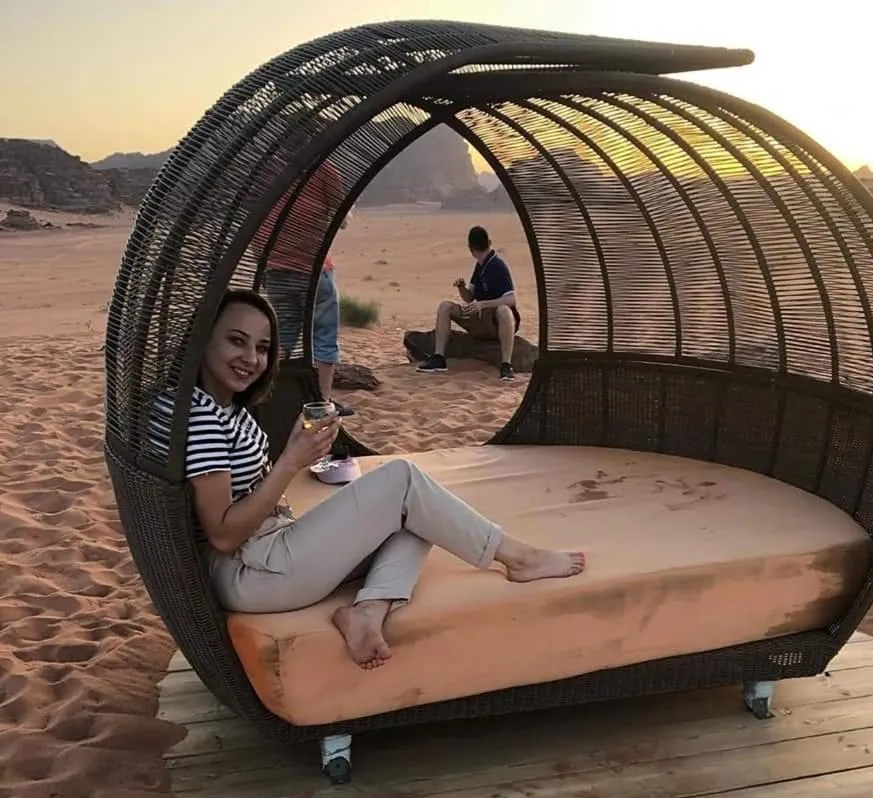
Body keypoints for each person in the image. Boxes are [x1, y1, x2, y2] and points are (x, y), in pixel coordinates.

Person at [149, 289, 585, 670]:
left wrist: (294, 459)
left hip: (267, 550)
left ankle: (368, 611)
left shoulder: (218, 405)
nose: (251, 358)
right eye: (236, 341)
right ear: (203, 337)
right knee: (402, 481)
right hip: (251, 570)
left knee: (422, 515)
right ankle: (517, 557)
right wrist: (289, 463)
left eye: (262, 348)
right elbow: (223, 535)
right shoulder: (200, 418)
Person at [255, 161, 354, 416]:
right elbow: (342, 218)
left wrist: (264, 268)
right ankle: (322, 403)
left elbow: (258, 229)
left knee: (284, 338)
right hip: (314, 271)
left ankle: (266, 397)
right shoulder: (324, 168)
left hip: (276, 271)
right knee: (324, 337)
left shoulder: (268, 169)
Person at [417, 225, 521, 382]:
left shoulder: (497, 265)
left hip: (495, 321)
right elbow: (469, 298)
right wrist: (461, 288)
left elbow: (511, 299)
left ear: (471, 249)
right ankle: (439, 357)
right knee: (445, 306)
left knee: (504, 310)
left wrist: (483, 304)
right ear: (489, 242)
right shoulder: (480, 266)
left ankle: (506, 364)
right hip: (479, 316)